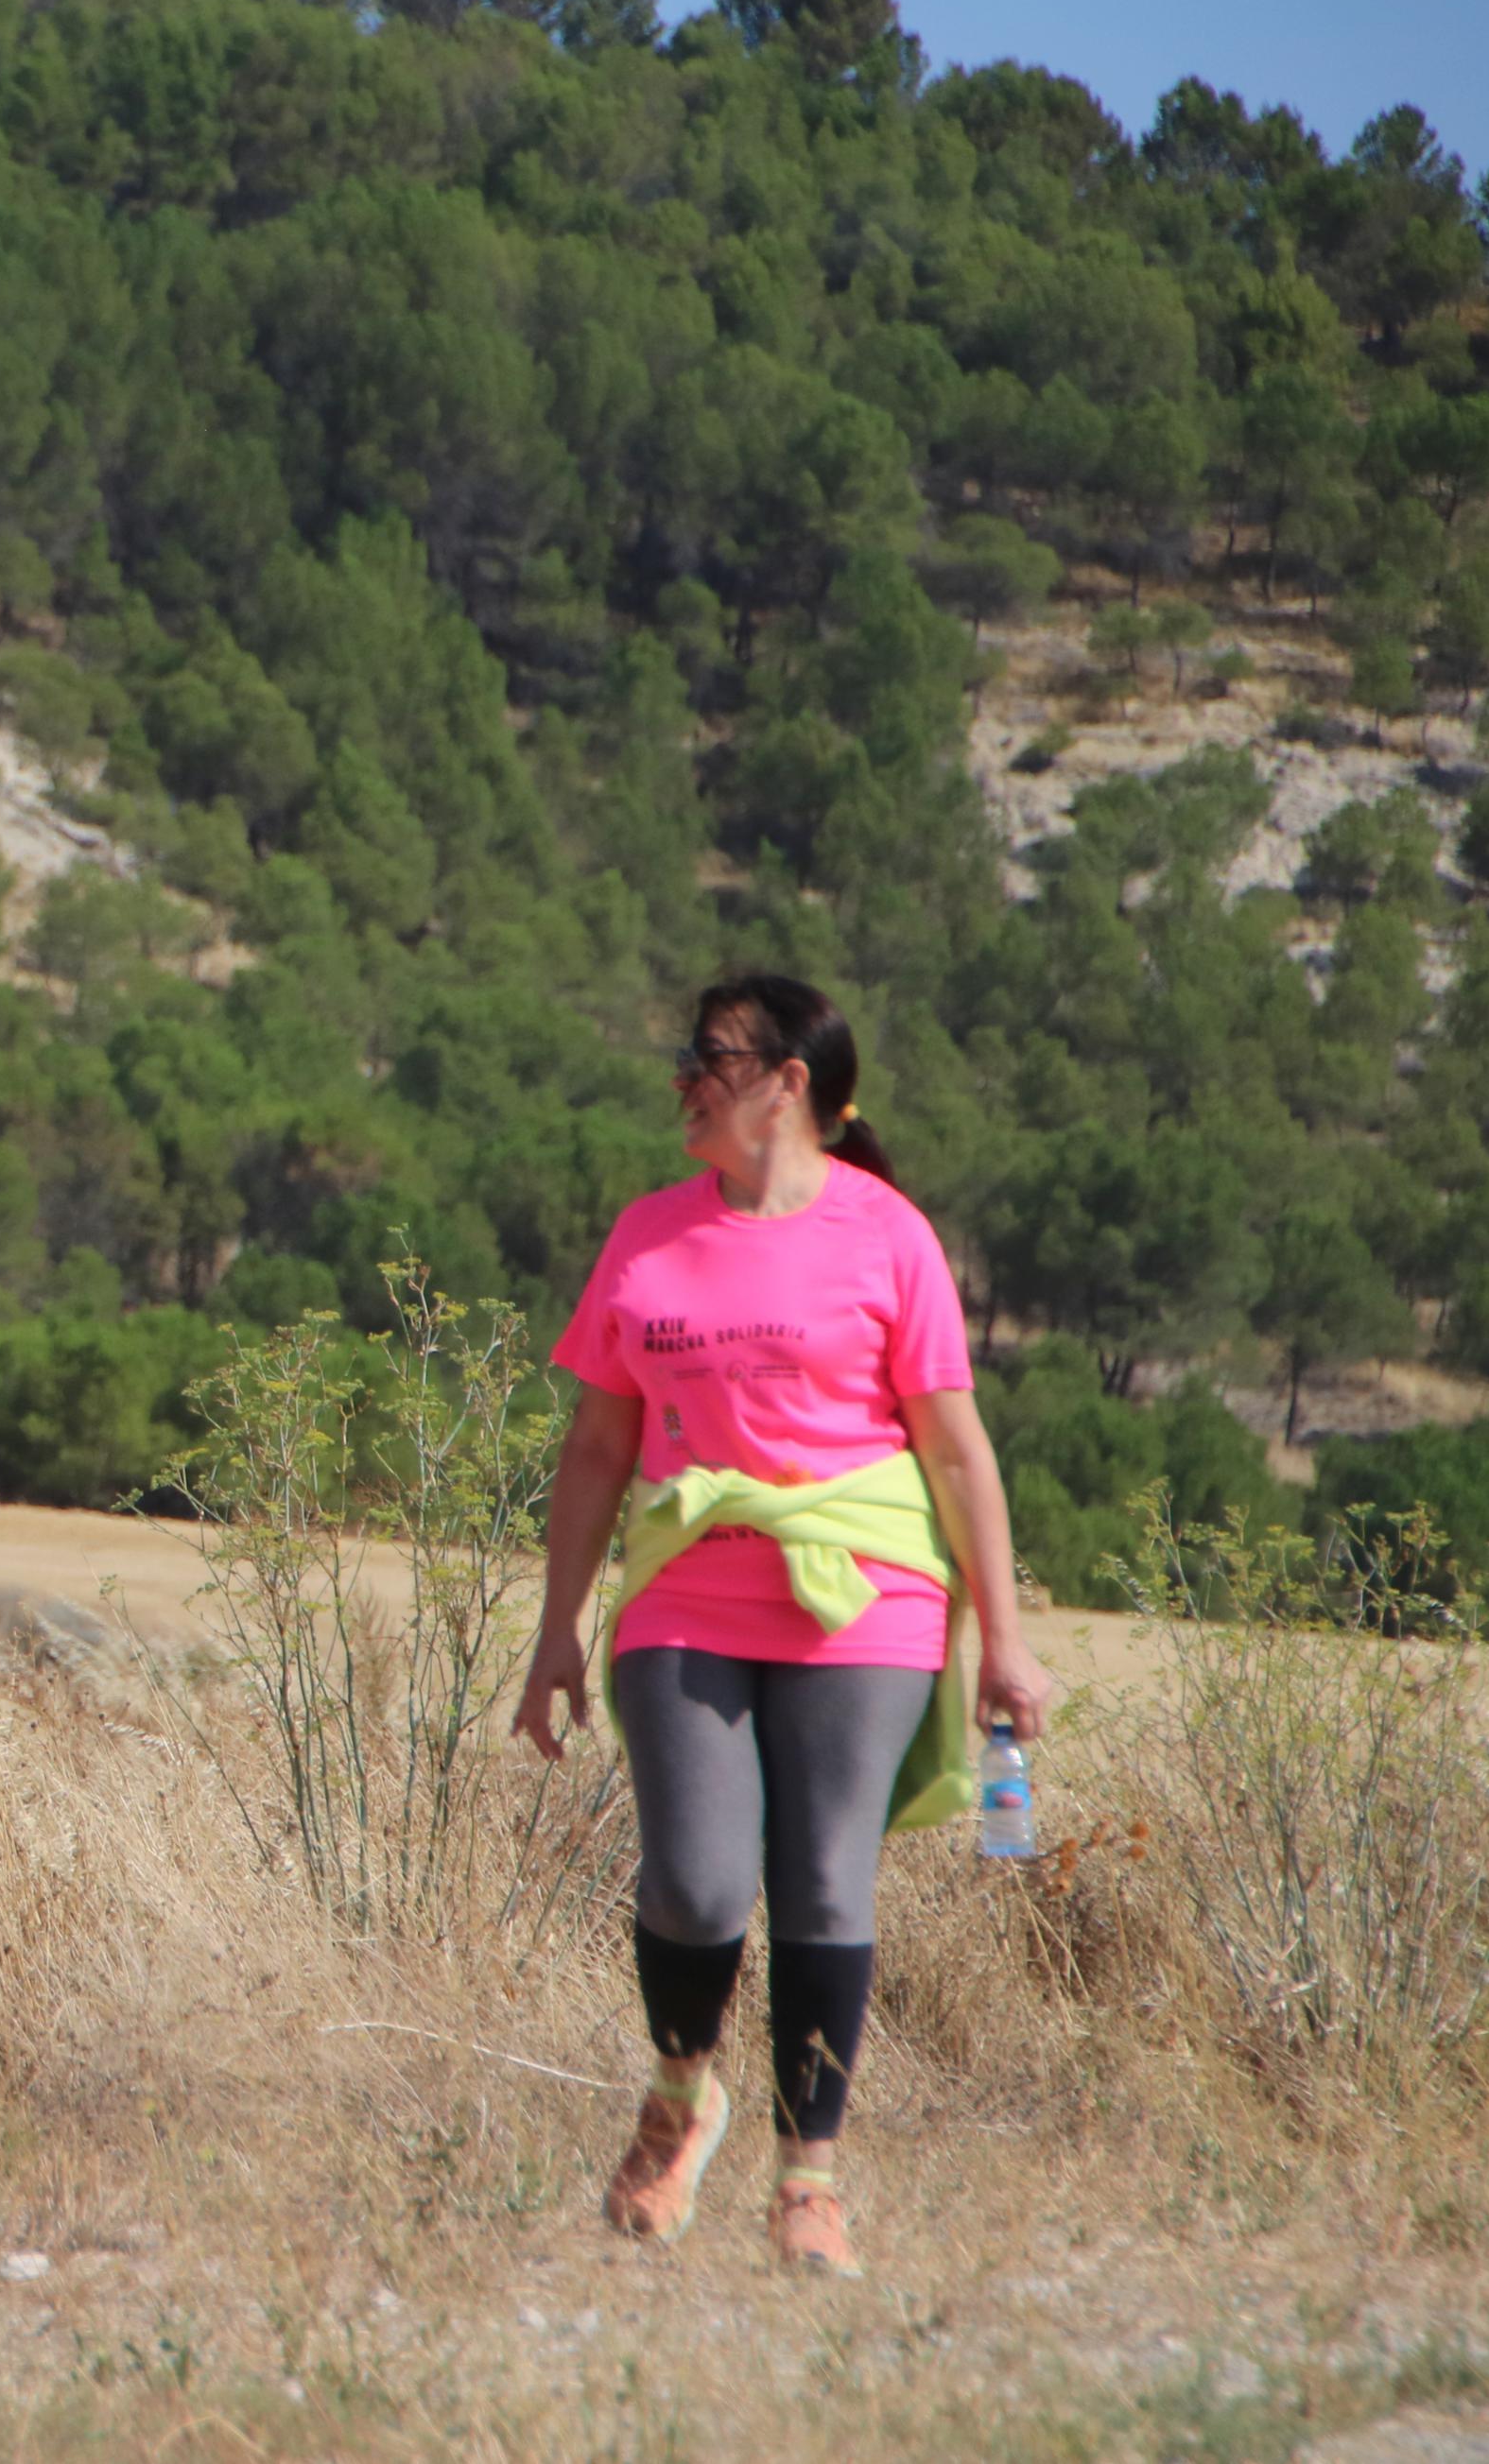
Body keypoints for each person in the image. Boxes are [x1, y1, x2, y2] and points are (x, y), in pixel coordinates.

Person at [512, 974, 1053, 2280]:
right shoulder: (647, 1234)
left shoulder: (889, 1234)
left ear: (787, 1082)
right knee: (696, 1882)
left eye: (708, 1056)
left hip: (864, 1588)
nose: (682, 1078)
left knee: (822, 1882)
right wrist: (557, 1628)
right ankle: (682, 2096)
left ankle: (809, 2178)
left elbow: (957, 1451)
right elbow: (597, 1448)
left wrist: (1006, 1638)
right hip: (690, 1579)